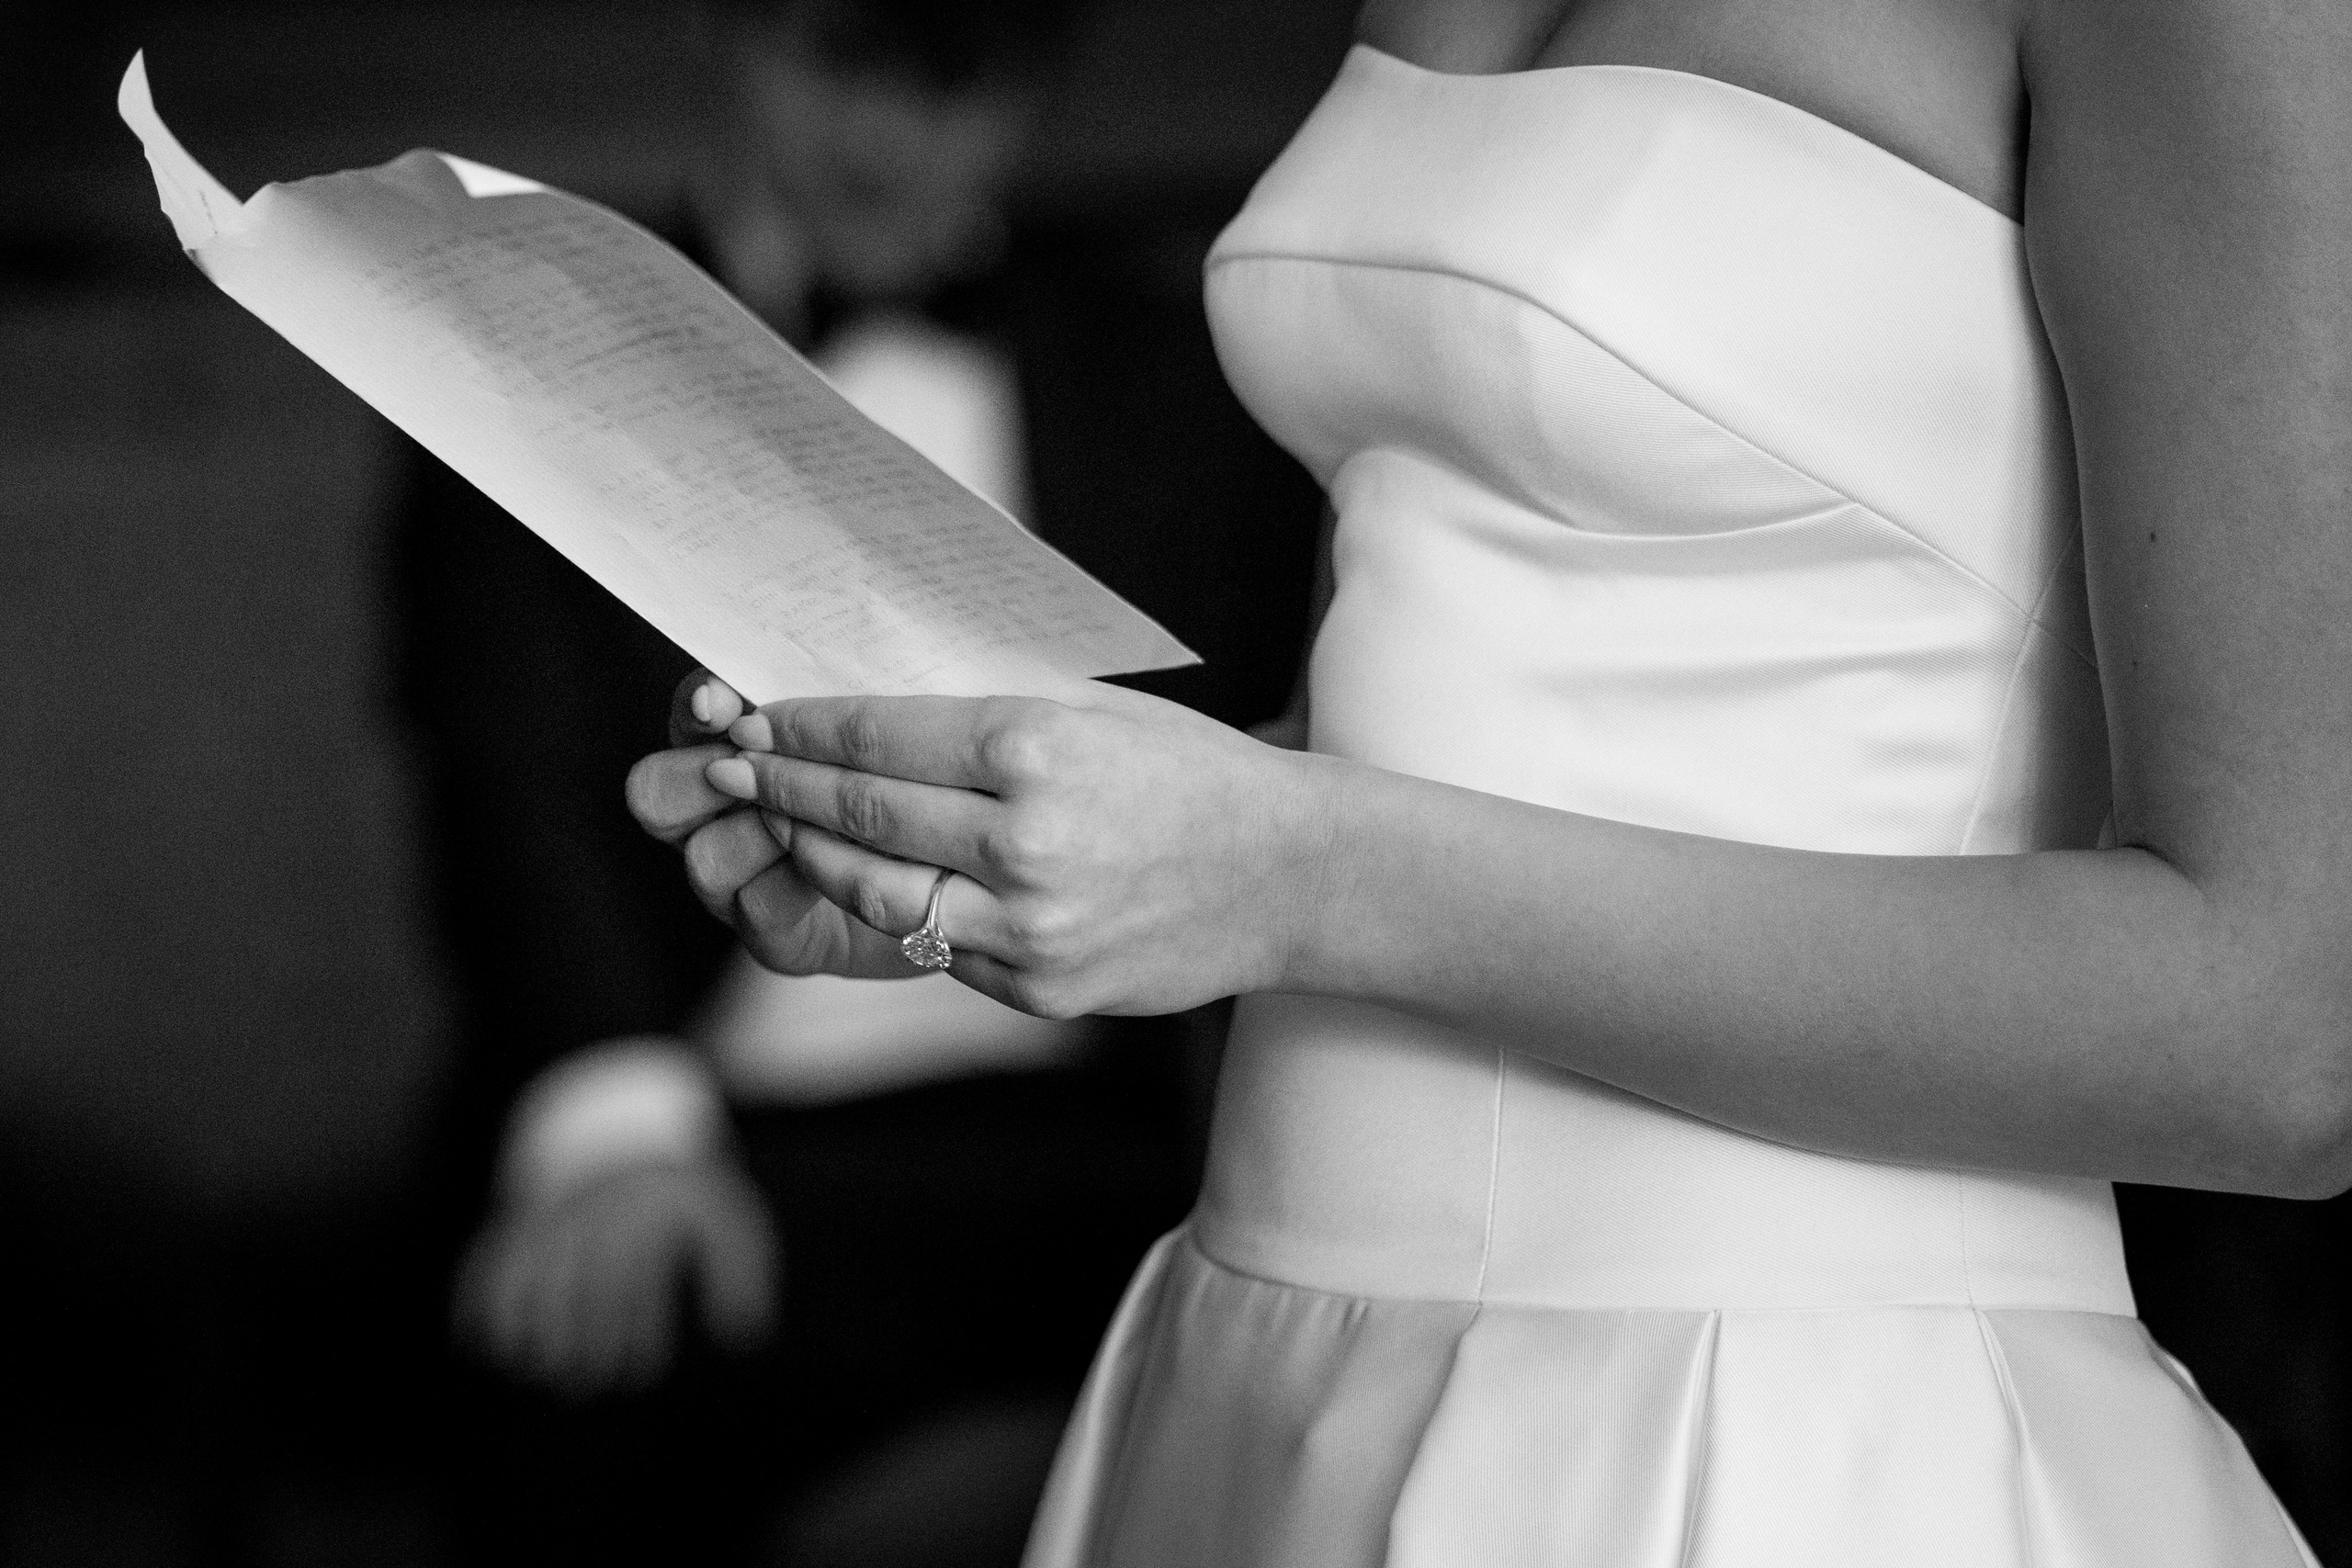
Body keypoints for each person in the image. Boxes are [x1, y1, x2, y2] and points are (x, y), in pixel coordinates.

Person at [627, 0, 2351, 1562]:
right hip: (1261, 1358)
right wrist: (998, 843)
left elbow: (2291, 1035)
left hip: (1769, 1425)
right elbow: (1429, 728)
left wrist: (1295, 873)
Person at [397, 1, 1321, 1562]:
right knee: (585, 1361)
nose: (894, 140)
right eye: (842, 58)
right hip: (732, 1124)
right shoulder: (527, 366)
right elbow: (509, 777)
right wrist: (617, 1128)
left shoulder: (1169, 369)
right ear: (723, 32)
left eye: (962, 78)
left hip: (1105, 1119)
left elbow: (1263, 762)